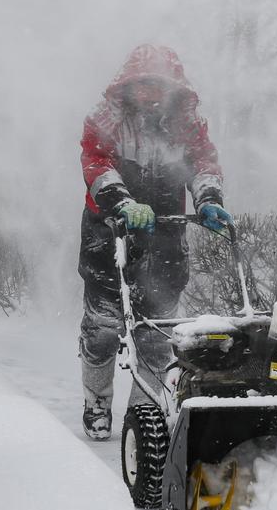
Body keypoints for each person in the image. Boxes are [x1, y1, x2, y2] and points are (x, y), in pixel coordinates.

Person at [77, 44, 233, 440]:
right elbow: (96, 163)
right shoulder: (106, 121)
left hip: (165, 235)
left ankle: (142, 412)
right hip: (108, 233)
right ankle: (97, 401)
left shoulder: (186, 125)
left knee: (157, 330)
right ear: (128, 85)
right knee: (104, 327)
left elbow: (203, 162)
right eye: (143, 84)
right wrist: (123, 201)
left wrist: (208, 197)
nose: (151, 94)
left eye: (159, 85)